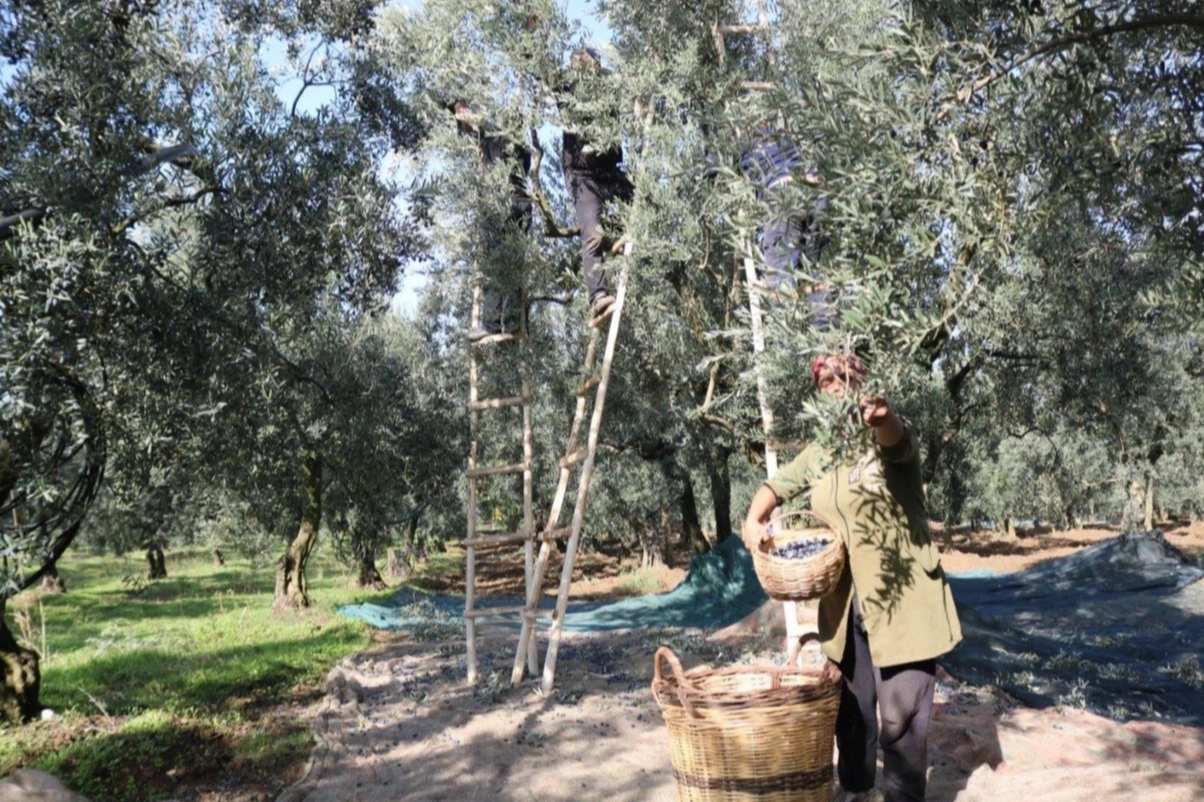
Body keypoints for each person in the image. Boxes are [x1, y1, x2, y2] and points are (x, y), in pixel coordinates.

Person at [741, 353, 962, 802]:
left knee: (901, 727)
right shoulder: (820, 454)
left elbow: (897, 441)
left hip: (904, 607)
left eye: (843, 380)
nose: (835, 389)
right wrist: (752, 520)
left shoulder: (885, 439)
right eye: (825, 385)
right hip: (845, 610)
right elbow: (776, 486)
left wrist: (884, 417)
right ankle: (857, 792)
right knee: (853, 718)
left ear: (861, 382)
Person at [448, 100, 534, 341]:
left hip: (503, 206)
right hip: (519, 204)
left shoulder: (497, 140)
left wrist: (469, 119)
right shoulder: (513, 145)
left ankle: (496, 324)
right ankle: (510, 323)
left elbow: (480, 124)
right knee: (512, 263)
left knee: (497, 263)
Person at [559, 48, 634, 321]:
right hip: (584, 178)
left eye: (585, 57)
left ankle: (621, 235)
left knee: (642, 201)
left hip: (610, 171)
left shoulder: (608, 83)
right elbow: (542, 70)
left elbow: (632, 86)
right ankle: (598, 297)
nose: (580, 61)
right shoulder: (569, 87)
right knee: (591, 234)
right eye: (576, 58)